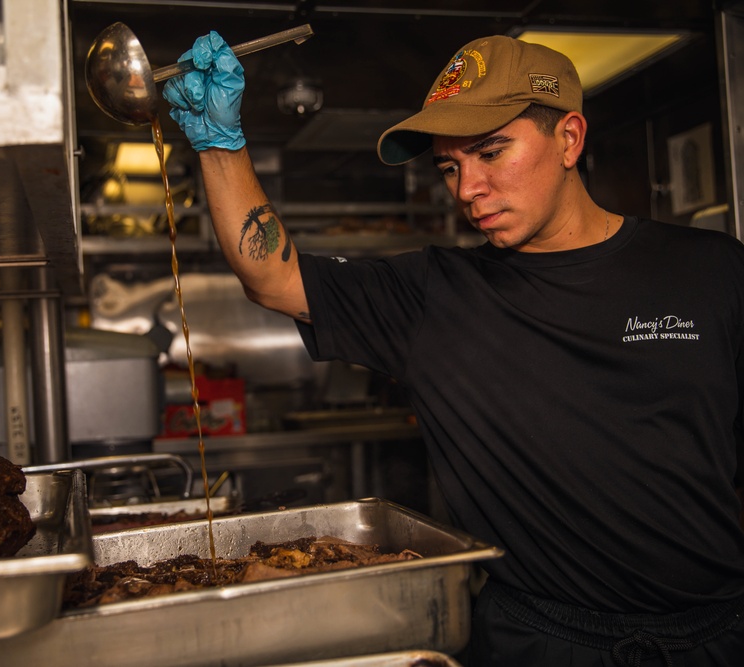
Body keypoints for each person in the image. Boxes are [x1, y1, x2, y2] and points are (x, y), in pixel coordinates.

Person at [162, 32, 744, 666]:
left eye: (491, 152)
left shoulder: (712, 272)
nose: (467, 188)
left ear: (569, 139)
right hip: (538, 642)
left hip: (720, 636)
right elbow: (273, 277)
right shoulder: (431, 295)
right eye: (449, 166)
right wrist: (219, 146)